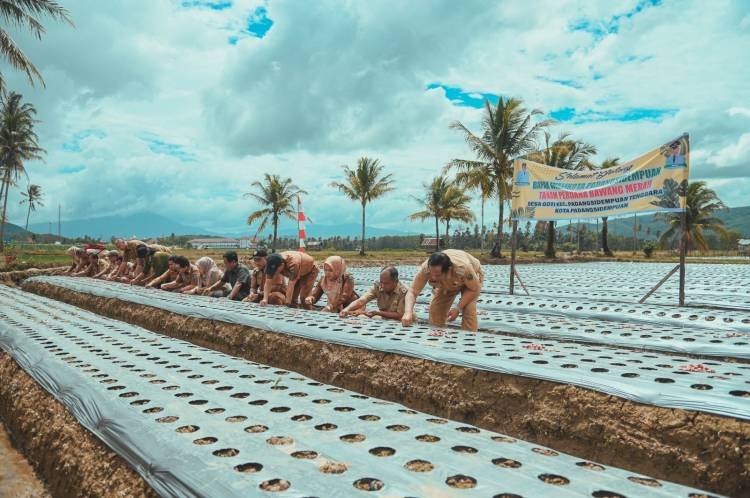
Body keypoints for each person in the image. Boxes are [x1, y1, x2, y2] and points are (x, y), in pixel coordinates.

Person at [402, 249, 483, 332]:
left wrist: (457, 309)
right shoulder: (426, 269)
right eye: (431, 274)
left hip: (471, 282)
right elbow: (412, 291)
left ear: (448, 270)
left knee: (468, 309)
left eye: (437, 275)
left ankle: (468, 340)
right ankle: (436, 337)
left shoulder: (463, 268)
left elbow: (473, 289)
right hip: (448, 283)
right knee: (436, 309)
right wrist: (408, 312)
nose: (433, 278)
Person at [340, 266, 408, 321]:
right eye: (381, 282)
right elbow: (362, 300)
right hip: (385, 319)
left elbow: (400, 315)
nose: (382, 286)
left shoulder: (403, 292)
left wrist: (378, 313)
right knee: (361, 317)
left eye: (386, 283)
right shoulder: (378, 286)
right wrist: (347, 309)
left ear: (396, 281)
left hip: (400, 322)